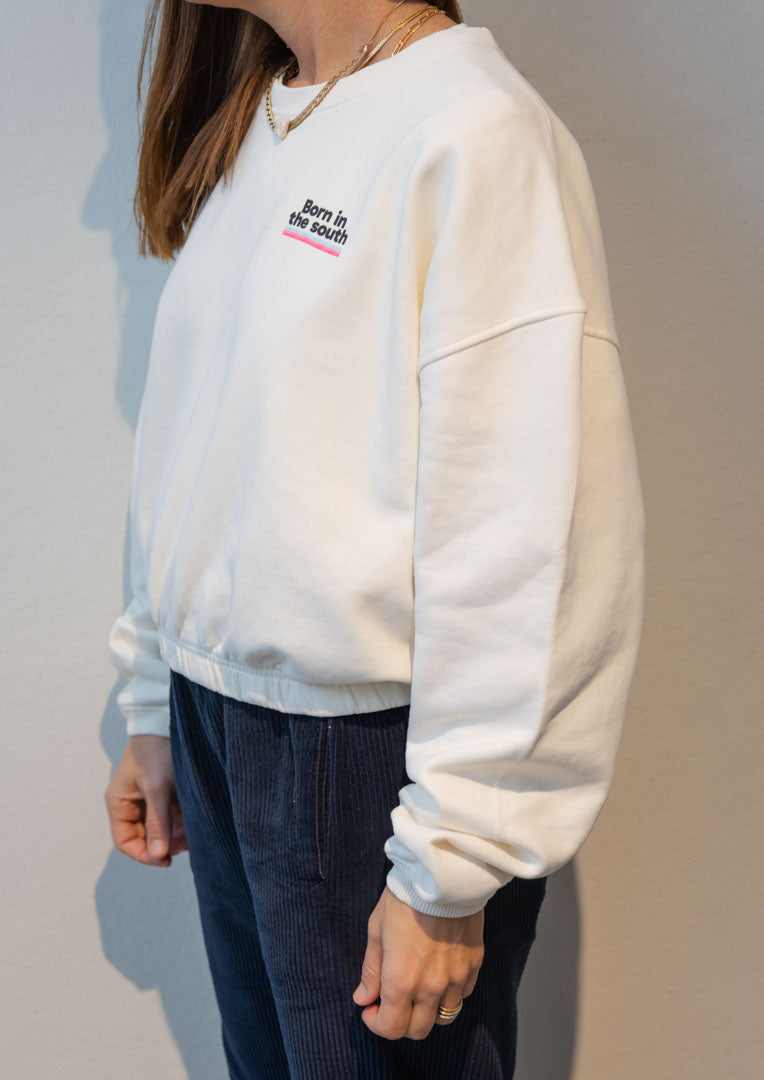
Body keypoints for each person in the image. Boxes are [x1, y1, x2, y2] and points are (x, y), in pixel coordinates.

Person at [103, 2, 645, 1077]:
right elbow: (197, 441)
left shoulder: (473, 130)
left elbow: (527, 520)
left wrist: (454, 854)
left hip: (359, 762)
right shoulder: (265, 115)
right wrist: (157, 697)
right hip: (226, 723)